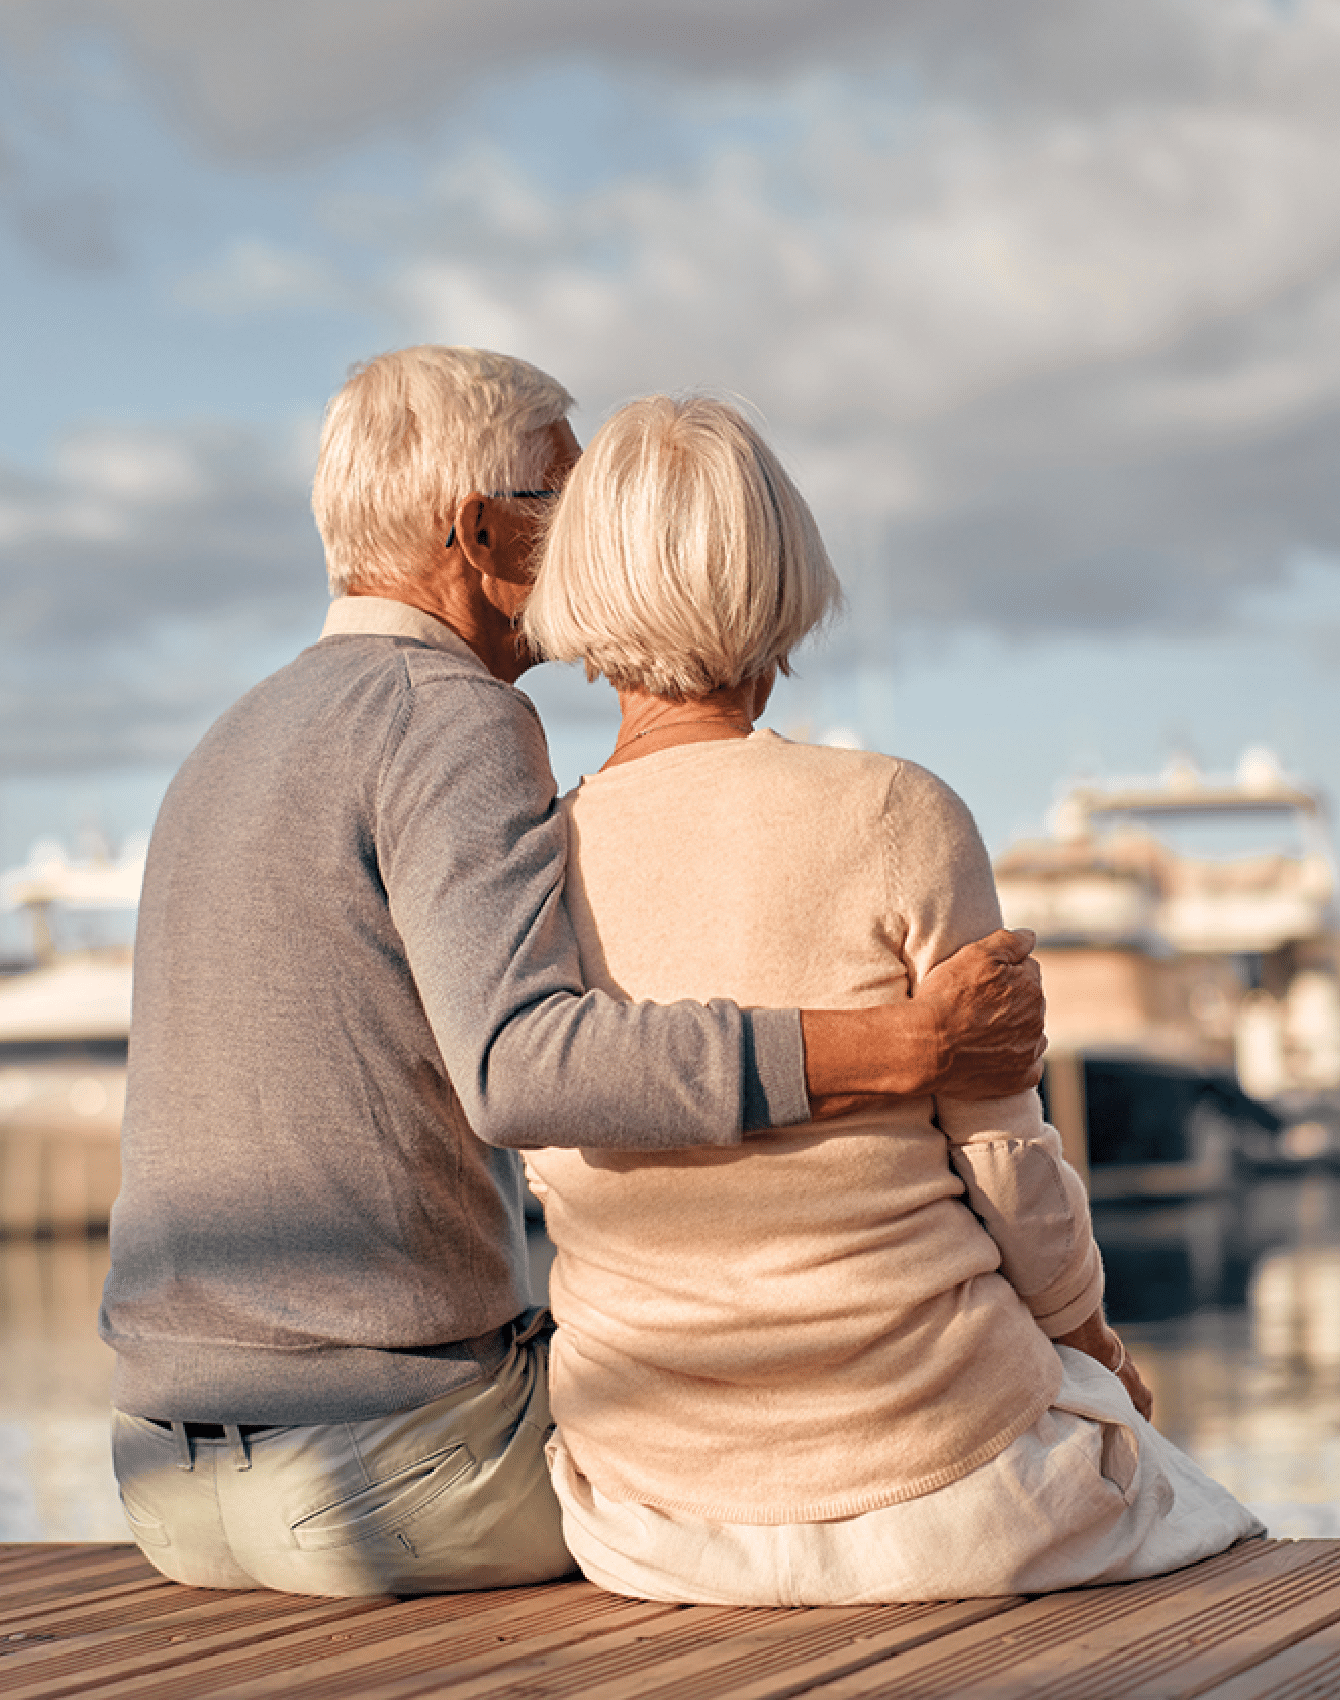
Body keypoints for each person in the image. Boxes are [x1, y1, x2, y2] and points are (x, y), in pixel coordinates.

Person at [99, 347, 1048, 1599]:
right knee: (750, 1440)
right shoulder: (449, 712)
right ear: (481, 530)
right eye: (573, 500)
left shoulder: (225, 744)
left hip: (165, 1484)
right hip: (391, 1477)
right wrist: (896, 1048)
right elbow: (517, 1066)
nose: (599, 536)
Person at [521, 394, 1263, 1606]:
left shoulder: (534, 862)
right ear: (778, 574)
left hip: (654, 1513)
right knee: (1197, 1504)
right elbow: (1000, 1149)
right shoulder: (896, 812)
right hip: (950, 1487)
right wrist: (1087, 1339)